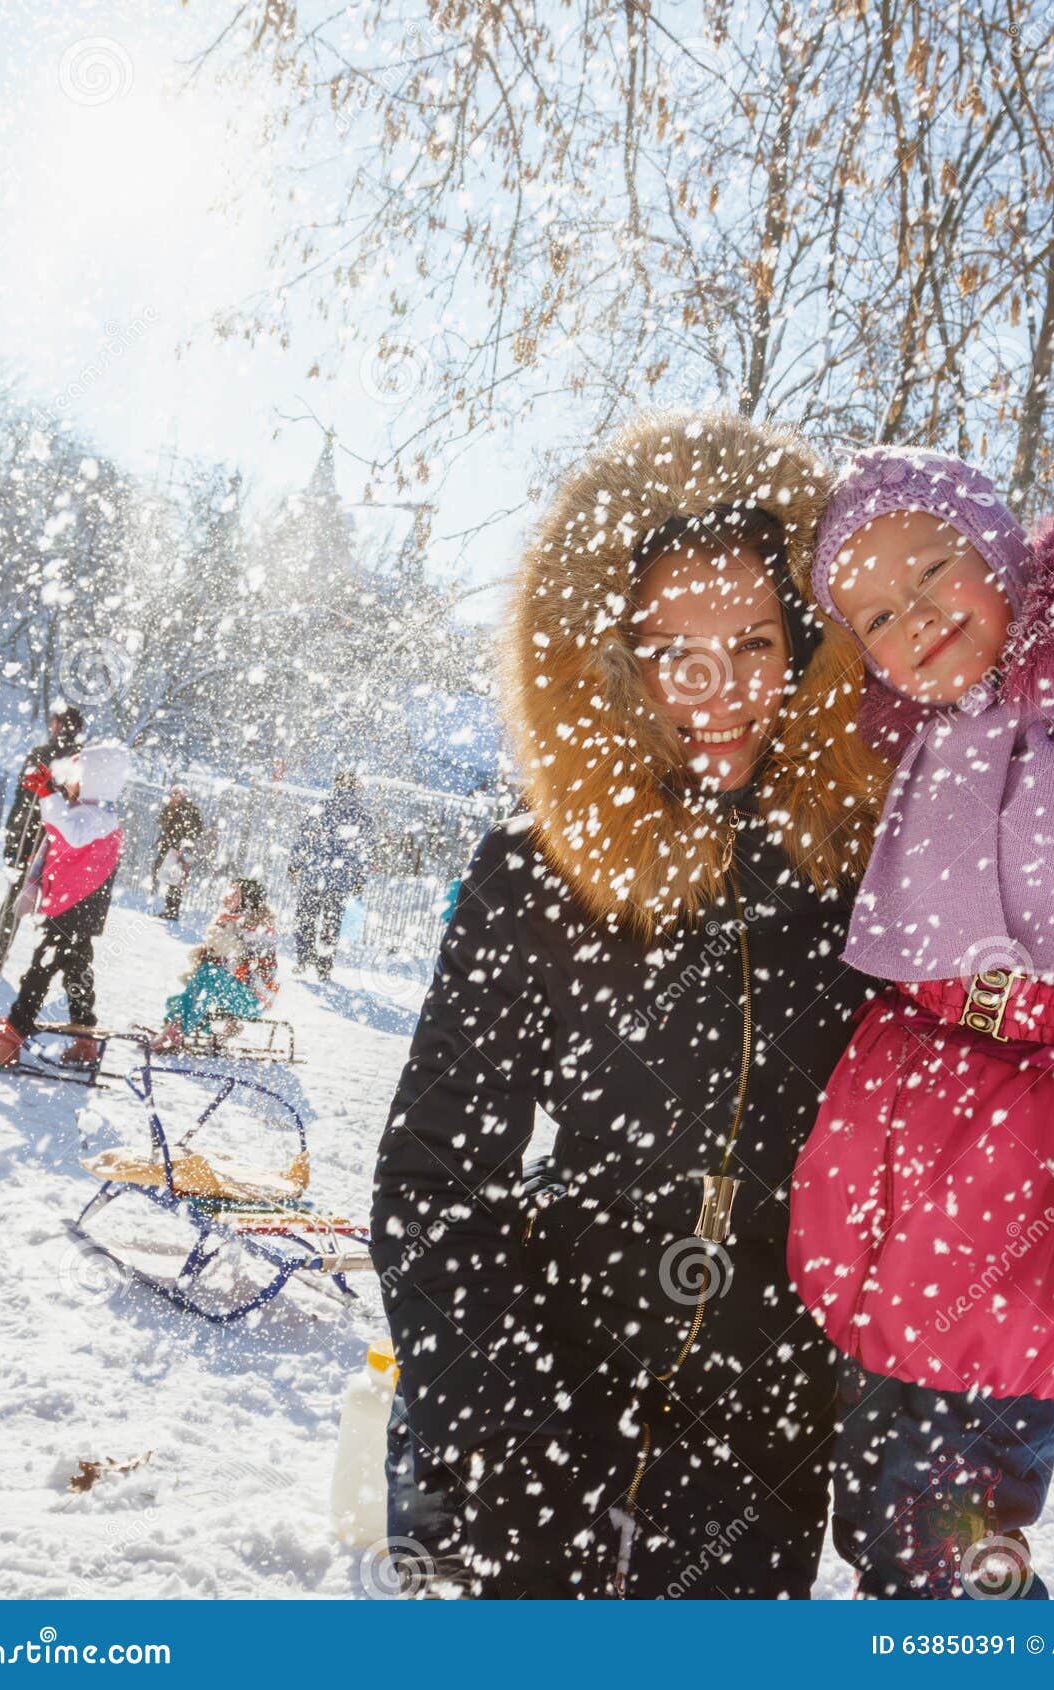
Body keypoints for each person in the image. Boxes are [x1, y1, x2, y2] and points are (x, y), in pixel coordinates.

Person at [371, 412, 887, 1598]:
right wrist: (485, 1409)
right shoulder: (540, 872)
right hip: (549, 1380)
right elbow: (438, 1170)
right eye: (677, 653)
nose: (721, 692)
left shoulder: (863, 876)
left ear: (806, 642)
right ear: (620, 659)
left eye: (754, 644)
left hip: (762, 1424)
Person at [789, 447, 1054, 1599]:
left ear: (1005, 554)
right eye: (876, 611)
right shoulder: (919, 745)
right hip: (915, 1151)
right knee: (884, 1506)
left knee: (944, 1518)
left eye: (933, 571)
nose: (915, 617)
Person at [0, 743, 129, 1070]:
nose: (70, 781)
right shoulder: (95, 812)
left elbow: (67, 832)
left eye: (76, 776)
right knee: (77, 970)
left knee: (40, 970)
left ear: (94, 779)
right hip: (79, 908)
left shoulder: (98, 816)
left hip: (75, 907)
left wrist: (47, 795)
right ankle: (84, 1038)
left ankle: (10, 1038)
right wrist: (52, 793)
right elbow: (66, 826)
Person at [0, 706, 85, 971]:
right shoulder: (77, 760)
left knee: (18, 896)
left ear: (58, 725)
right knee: (50, 905)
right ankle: (42, 968)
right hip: (55, 839)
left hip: (36, 838)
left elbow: (24, 798)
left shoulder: (48, 755)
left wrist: (15, 833)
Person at [149, 877, 278, 1053]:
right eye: (229, 891)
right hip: (235, 992)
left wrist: (220, 947)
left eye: (235, 893)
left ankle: (176, 1031)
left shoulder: (258, 927)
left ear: (247, 899)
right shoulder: (229, 921)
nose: (228, 896)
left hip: (254, 999)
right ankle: (177, 1025)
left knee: (210, 975)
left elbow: (245, 966)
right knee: (177, 1002)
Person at [288, 771, 374, 980]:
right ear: (357, 788)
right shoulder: (363, 816)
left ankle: (304, 956)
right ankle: (324, 965)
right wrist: (359, 879)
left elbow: (305, 839)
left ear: (336, 785)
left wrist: (295, 865)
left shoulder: (321, 809)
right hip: (341, 880)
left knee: (306, 918)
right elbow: (364, 853)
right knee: (331, 923)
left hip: (314, 874)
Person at [151, 786, 204, 922]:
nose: (173, 796)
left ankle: (172, 910)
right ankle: (166, 905)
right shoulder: (171, 807)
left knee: (176, 880)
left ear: (183, 795)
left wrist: (182, 845)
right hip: (169, 847)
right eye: (173, 793)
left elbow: (196, 830)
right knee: (161, 872)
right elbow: (162, 822)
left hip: (180, 850)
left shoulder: (190, 810)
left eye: (177, 793)